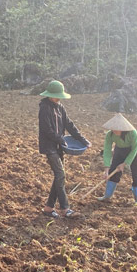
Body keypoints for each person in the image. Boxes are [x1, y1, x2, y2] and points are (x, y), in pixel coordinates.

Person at [38, 80, 89, 219]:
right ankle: (66, 209)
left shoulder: (60, 108)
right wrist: (61, 140)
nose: (58, 98)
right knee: (60, 175)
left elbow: (69, 125)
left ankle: (48, 208)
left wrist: (81, 139)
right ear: (49, 95)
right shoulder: (44, 108)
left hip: (59, 146)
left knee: (59, 177)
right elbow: (46, 129)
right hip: (49, 147)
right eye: (56, 96)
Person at [97, 113, 137, 205]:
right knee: (113, 170)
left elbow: (134, 150)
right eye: (112, 129)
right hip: (120, 149)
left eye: (116, 129)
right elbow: (107, 151)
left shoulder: (132, 133)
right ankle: (107, 196)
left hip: (136, 151)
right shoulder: (110, 135)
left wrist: (125, 164)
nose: (114, 131)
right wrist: (106, 170)